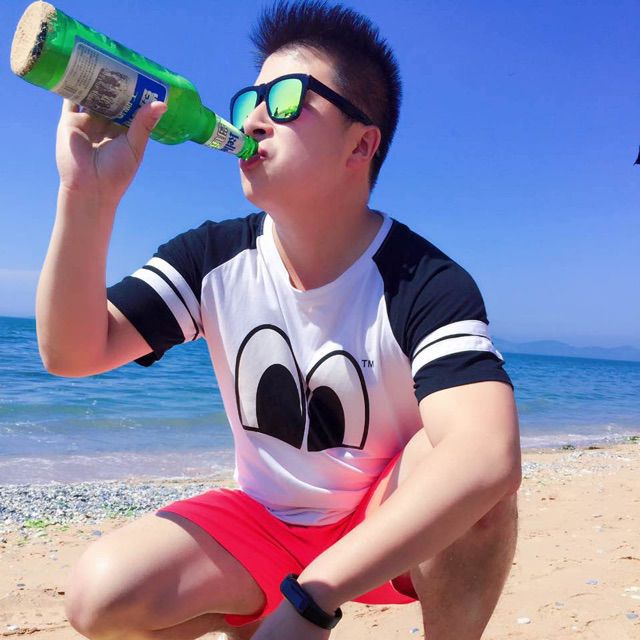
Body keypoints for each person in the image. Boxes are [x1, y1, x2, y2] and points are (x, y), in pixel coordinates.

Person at [36, 1, 521, 639]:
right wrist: (86, 197)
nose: (254, 118)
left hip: (387, 527)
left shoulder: (424, 281)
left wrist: (314, 598)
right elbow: (73, 351)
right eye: (250, 100)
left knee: (468, 476)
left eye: (287, 99)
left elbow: (489, 455)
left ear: (361, 144)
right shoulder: (214, 258)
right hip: (264, 523)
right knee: (100, 595)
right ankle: (260, 612)